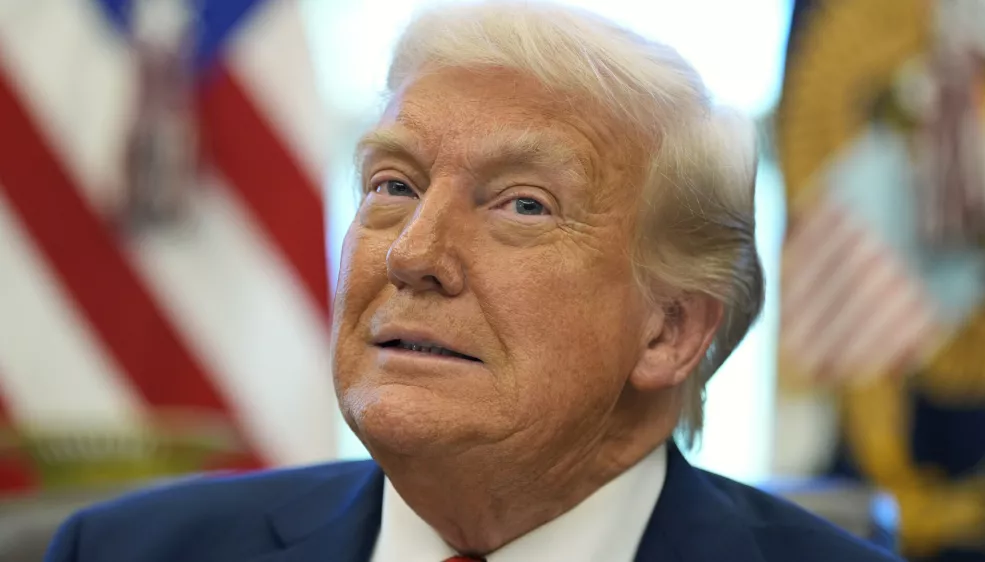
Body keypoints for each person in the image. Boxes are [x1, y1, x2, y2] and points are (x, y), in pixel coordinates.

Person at [44, 2, 902, 561]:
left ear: (671, 330)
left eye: (523, 206)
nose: (412, 254)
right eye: (393, 186)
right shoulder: (122, 551)